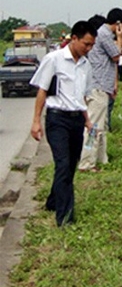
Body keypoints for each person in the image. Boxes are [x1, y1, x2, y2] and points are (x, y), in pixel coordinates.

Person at [29, 21, 97, 226]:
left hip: (76, 119)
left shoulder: (86, 65)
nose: (89, 48)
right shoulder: (54, 60)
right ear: (74, 39)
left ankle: (53, 200)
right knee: (62, 164)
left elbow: (81, 97)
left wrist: (87, 120)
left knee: (70, 165)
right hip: (57, 119)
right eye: (86, 44)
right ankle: (65, 217)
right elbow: (42, 90)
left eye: (92, 45)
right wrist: (36, 122)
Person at [78, 8, 122, 172]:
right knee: (93, 128)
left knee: (101, 127)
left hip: (102, 87)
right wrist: (119, 37)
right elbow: (117, 56)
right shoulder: (105, 35)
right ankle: (86, 163)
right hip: (98, 87)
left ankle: (101, 159)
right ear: (118, 23)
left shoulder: (102, 34)